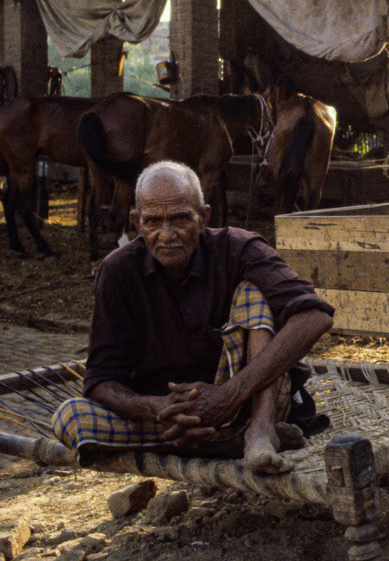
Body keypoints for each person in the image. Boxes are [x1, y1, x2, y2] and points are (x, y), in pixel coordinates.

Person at [52, 161, 334, 473]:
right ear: (136, 222)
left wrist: (229, 394)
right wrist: (160, 409)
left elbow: (315, 315)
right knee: (71, 419)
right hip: (165, 421)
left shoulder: (238, 248)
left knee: (253, 292)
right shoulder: (118, 271)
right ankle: (220, 443)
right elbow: (101, 380)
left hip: (249, 404)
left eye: (180, 219)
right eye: (152, 222)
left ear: (204, 217)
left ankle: (260, 430)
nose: (167, 234)